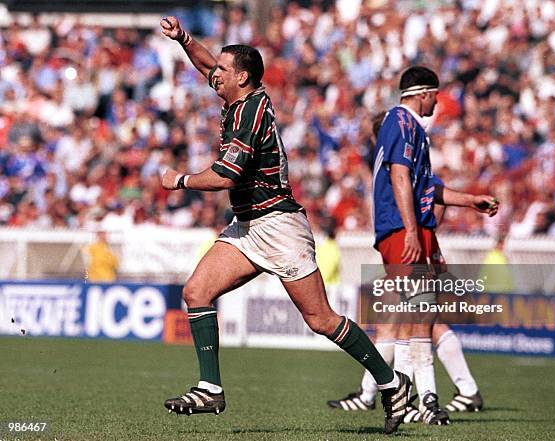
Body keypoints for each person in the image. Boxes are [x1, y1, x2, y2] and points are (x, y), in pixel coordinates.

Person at [158, 16, 410, 434]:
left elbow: (225, 176)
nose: (213, 73)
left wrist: (180, 180)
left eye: (222, 69)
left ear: (242, 77)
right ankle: (210, 388)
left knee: (321, 320)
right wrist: (184, 38)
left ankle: (391, 383)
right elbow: (204, 65)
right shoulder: (238, 97)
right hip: (249, 224)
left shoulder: (249, 114)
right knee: (196, 292)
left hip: (278, 225)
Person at [327, 113, 484, 420]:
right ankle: (379, 394)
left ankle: (417, 398)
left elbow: (430, 192)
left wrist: (419, 229)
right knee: (399, 320)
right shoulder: (392, 159)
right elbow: (431, 192)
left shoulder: (398, 158)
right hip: (405, 240)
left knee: (417, 322)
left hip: (410, 241)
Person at [370, 66, 498, 425]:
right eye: (435, 95)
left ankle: (415, 398)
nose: (437, 101)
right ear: (423, 93)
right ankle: (418, 399)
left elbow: (427, 187)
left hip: (413, 227)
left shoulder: (412, 129)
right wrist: (410, 229)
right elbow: (399, 175)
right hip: (402, 228)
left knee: (420, 316)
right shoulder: (401, 121)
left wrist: (470, 200)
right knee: (418, 315)